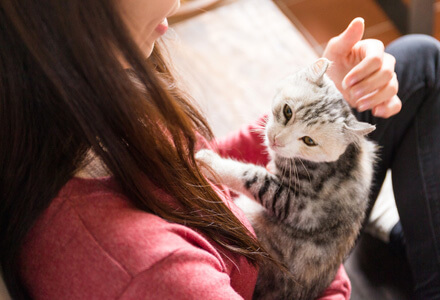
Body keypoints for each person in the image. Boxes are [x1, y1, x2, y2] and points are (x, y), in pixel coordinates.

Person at [0, 0, 436, 299]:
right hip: (301, 275)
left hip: (265, 239)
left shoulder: (74, 111)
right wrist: (329, 241)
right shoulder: (154, 275)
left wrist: (322, 105)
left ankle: (393, 245)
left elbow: (194, 173)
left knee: (419, 59)